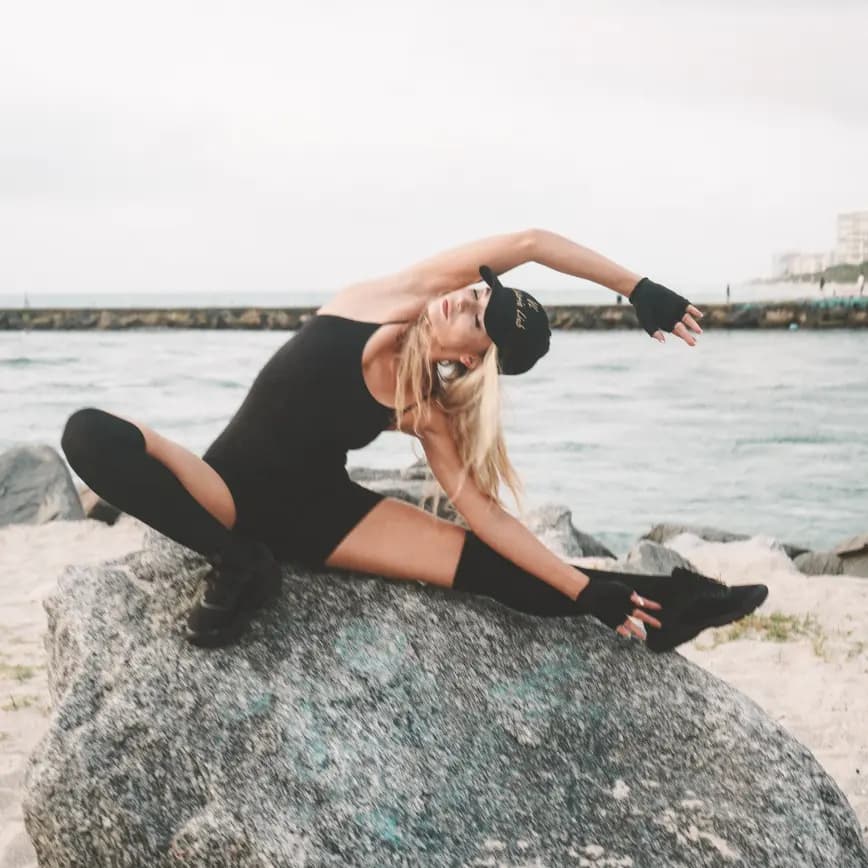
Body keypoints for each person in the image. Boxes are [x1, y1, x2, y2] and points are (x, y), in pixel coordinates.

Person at [60, 229, 767, 651]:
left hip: (324, 517)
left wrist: (586, 589)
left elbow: (487, 516)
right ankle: (240, 561)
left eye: (479, 313)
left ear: (470, 360)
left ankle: (676, 606)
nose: (467, 296)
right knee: (87, 434)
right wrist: (637, 286)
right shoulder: (383, 300)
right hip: (225, 494)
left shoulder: (428, 408)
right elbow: (530, 243)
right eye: (482, 291)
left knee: (498, 575)